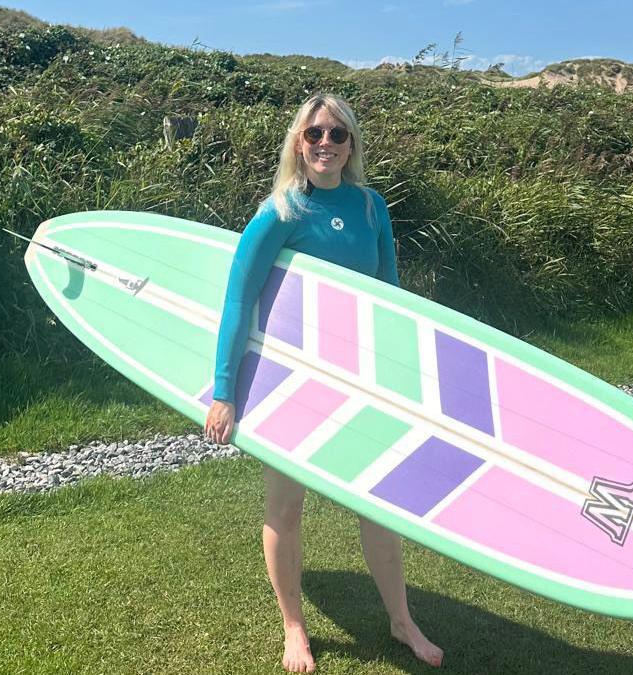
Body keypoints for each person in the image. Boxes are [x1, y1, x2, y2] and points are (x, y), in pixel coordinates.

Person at [203, 93, 444, 673]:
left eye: (338, 135)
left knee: (377, 506)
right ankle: (294, 628)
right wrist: (224, 391)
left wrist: (403, 381)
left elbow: (389, 298)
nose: (326, 145)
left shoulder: (370, 208)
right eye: (314, 135)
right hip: (293, 379)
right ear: (297, 142)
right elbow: (239, 303)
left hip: (360, 379)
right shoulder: (280, 212)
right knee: (286, 507)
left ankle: (400, 619)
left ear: (351, 144)